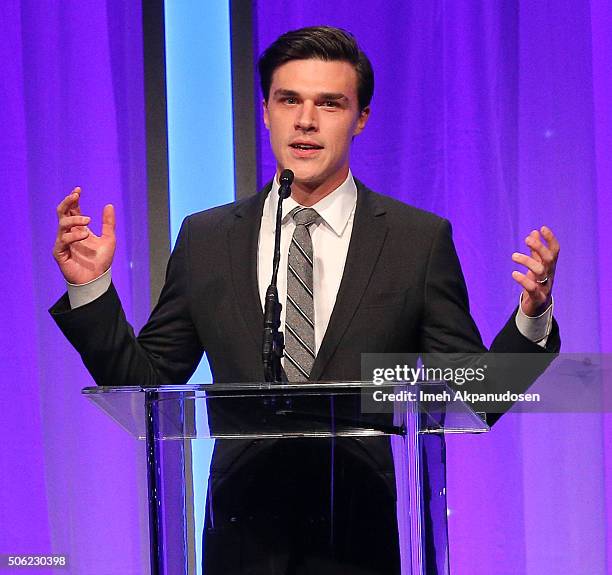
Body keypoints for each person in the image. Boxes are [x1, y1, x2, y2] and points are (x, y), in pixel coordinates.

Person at [51, 26, 560, 575]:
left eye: (329, 103)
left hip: (359, 542)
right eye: (288, 99)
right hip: (241, 542)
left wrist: (531, 321)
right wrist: (91, 288)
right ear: (266, 111)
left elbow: (472, 395)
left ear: (361, 118)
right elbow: (147, 378)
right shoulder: (207, 237)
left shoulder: (417, 241)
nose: (306, 121)